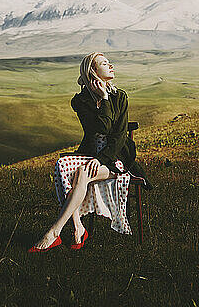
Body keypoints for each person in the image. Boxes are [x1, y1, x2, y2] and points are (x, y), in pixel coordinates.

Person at [28, 51, 152, 252]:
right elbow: (97, 128)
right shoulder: (80, 101)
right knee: (63, 166)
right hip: (90, 154)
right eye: (104, 63)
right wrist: (100, 99)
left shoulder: (119, 97)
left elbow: (118, 135)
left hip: (115, 158)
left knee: (83, 173)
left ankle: (54, 233)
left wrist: (105, 98)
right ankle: (78, 228)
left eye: (109, 62)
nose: (111, 66)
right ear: (92, 72)